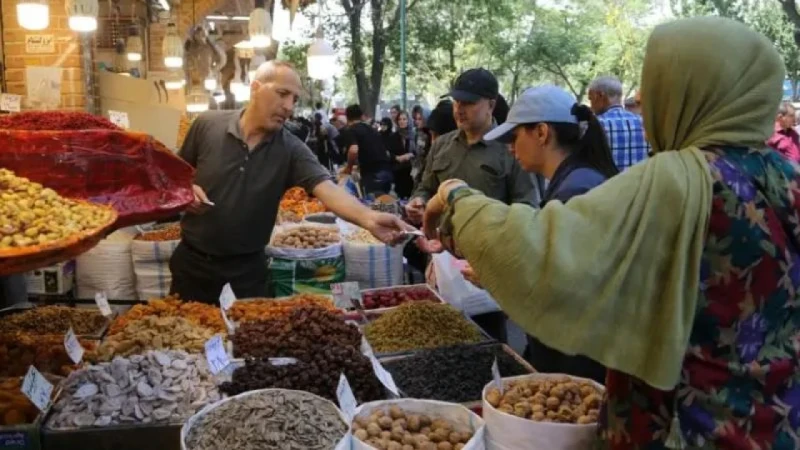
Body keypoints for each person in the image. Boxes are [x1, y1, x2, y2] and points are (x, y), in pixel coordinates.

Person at [422, 17, 799, 449]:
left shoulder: (679, 181)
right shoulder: (786, 176)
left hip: (687, 424)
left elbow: (544, 252)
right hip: (777, 421)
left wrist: (456, 198)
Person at [172, 61, 410, 303]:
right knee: (185, 336)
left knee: (249, 336)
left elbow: (327, 188)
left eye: (294, 100)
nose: (288, 107)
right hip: (192, 264)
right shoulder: (207, 125)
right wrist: (186, 191)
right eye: (282, 94)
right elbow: (175, 177)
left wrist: (369, 218)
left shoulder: (291, 148)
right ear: (255, 88)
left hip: (247, 272)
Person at [483, 84, 619, 382]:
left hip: (581, 365)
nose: (510, 148)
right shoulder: (575, 180)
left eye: (514, 137)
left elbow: (565, 289)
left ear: (542, 133)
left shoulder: (576, 191)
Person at [407, 68, 540, 343]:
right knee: (442, 339)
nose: (459, 110)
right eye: (457, 102)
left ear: (491, 104)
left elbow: (528, 208)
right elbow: (425, 186)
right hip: (442, 259)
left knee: (489, 341)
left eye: (468, 103)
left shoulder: (511, 150)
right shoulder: (442, 145)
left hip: (486, 264)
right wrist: (418, 201)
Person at [588, 75, 650, 171]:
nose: (591, 106)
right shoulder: (645, 124)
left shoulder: (595, 126)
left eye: (591, 99)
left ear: (599, 96)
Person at [341, 104, 394, 196]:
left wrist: (349, 167)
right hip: (386, 171)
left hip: (372, 175)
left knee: (372, 204)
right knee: (384, 204)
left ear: (347, 118)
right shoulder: (371, 129)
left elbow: (353, 150)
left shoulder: (351, 130)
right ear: (361, 116)